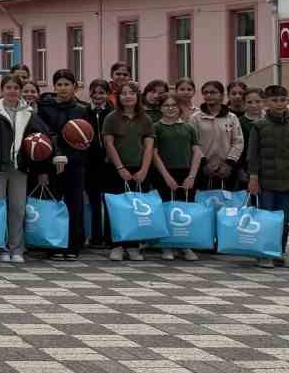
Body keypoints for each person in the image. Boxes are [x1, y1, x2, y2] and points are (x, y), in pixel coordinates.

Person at [0, 74, 51, 265]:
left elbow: (44, 139)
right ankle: (0, 248)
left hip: (20, 169)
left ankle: (16, 247)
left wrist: (43, 170)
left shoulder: (29, 113)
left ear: (20, 91)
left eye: (15, 88)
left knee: (17, 209)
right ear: (2, 90)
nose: (12, 91)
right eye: (8, 88)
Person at [247, 84, 289, 268]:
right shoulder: (259, 126)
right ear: (266, 103)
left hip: (286, 181)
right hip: (264, 182)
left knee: (284, 220)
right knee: (265, 218)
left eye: (282, 100)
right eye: (274, 100)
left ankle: (280, 251)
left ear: (288, 101)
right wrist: (253, 178)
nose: (279, 104)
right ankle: (264, 253)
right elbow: (252, 155)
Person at [37, 70, 89, 261]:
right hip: (51, 163)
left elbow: (87, 139)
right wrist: (49, 161)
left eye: (67, 84)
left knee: (75, 205)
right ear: (54, 87)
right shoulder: (44, 108)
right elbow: (43, 136)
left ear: (74, 86)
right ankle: (54, 244)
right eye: (59, 84)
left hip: (75, 164)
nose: (63, 88)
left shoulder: (83, 109)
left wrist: (79, 151)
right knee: (54, 205)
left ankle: (73, 245)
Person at [102, 83, 155, 263]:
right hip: (115, 169)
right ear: (118, 97)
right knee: (116, 208)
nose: (127, 96)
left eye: (131, 93)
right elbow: (109, 144)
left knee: (136, 209)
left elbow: (149, 147)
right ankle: (116, 245)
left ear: (137, 96)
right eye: (123, 93)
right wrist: (120, 168)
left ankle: (133, 246)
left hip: (139, 169)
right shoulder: (111, 118)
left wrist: (144, 170)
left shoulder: (145, 119)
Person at [152, 95, 202, 262]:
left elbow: (197, 152)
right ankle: (167, 245)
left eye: (173, 105)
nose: (170, 108)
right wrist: (166, 176)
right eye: (166, 105)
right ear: (160, 108)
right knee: (167, 209)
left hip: (186, 173)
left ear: (179, 108)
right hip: (164, 174)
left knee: (185, 210)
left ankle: (184, 244)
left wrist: (192, 176)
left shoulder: (189, 128)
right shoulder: (156, 128)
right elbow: (154, 154)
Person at [192, 81, 245, 191]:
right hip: (203, 170)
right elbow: (193, 143)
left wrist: (229, 164)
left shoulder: (232, 118)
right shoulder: (195, 118)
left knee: (227, 206)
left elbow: (238, 142)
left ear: (221, 95)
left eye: (213, 92)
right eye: (205, 93)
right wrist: (204, 164)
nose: (209, 95)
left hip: (227, 170)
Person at [84, 78, 114, 247]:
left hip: (109, 163)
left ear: (107, 94)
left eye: (101, 93)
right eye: (94, 92)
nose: (97, 96)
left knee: (109, 201)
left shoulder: (113, 111)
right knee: (94, 201)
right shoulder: (84, 111)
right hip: (90, 163)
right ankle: (95, 237)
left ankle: (110, 237)